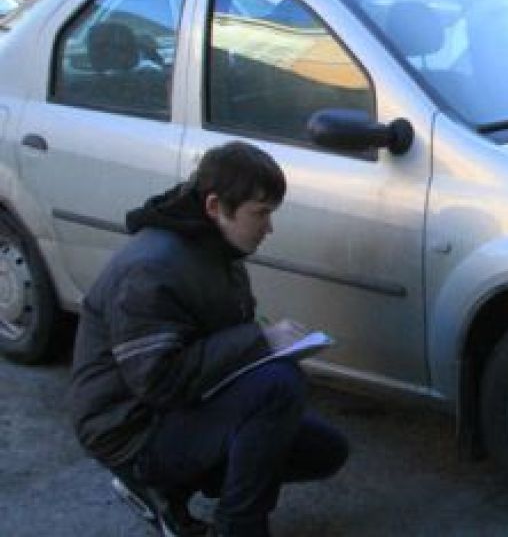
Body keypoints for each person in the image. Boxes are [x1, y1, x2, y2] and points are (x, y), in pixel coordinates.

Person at [69, 141, 348, 537]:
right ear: (216, 207)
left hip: (174, 409)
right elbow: (159, 382)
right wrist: (259, 342)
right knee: (278, 388)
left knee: (324, 450)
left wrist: (272, 345)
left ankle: (169, 490)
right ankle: (236, 526)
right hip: (131, 431)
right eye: (261, 214)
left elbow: (224, 342)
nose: (269, 228)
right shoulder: (151, 269)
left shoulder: (216, 249)